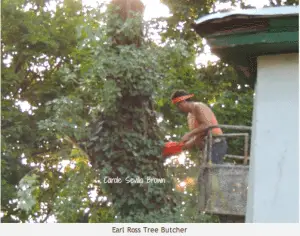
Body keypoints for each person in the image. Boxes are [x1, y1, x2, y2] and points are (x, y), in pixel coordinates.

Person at [171, 90, 227, 164]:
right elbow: (197, 136)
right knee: (206, 173)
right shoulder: (189, 116)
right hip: (205, 148)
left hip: (216, 143)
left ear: (183, 101)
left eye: (178, 105)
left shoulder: (198, 106)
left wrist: (189, 134)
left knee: (212, 171)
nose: (178, 108)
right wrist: (180, 147)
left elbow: (207, 125)